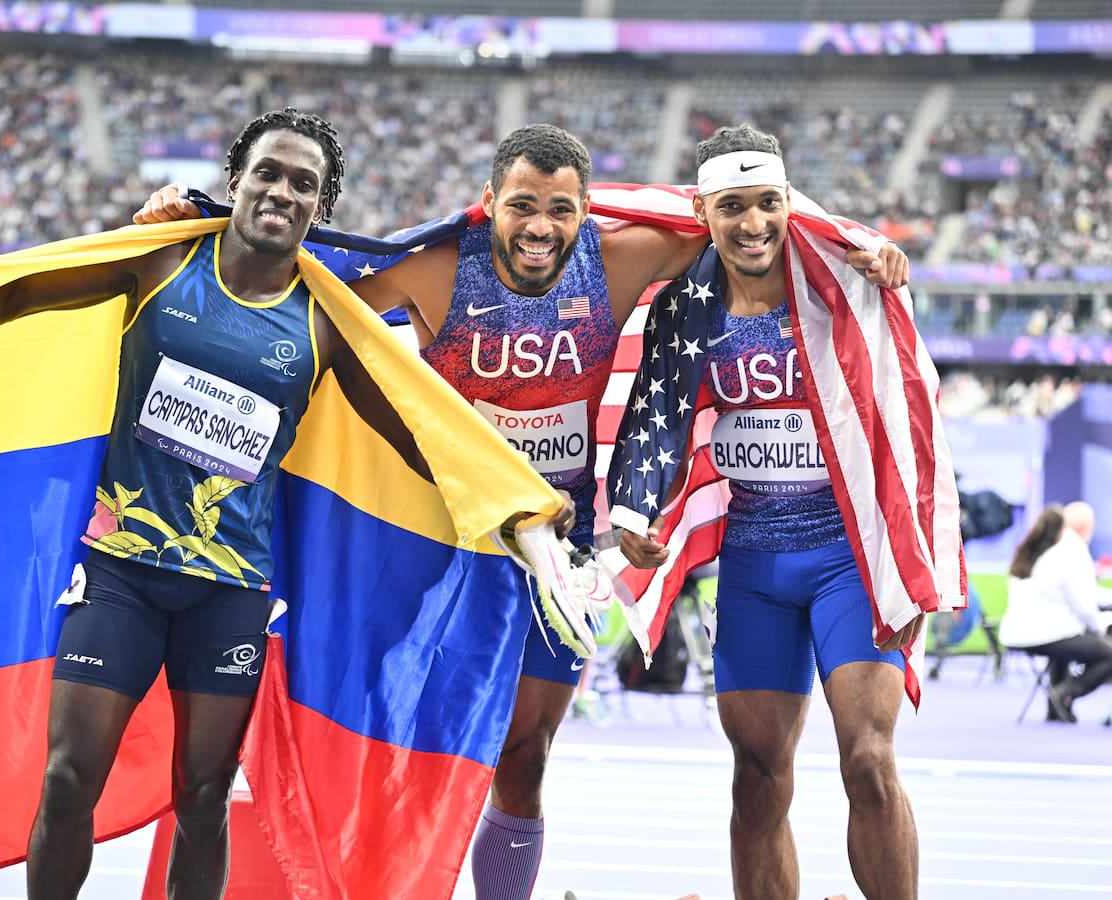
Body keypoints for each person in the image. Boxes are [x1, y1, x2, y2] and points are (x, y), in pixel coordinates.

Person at [134, 122, 909, 899]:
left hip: (552, 552)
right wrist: (197, 223)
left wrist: (856, 243)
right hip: (445, 545)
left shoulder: (621, 259)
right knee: (404, 743)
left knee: (524, 757)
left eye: (560, 209)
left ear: (585, 212)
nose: (541, 228)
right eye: (523, 206)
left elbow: (747, 221)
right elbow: (300, 289)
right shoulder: (437, 267)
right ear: (489, 202)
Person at [0, 108, 569, 900]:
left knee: (202, 797)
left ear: (320, 207)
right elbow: (20, 295)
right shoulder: (161, 263)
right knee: (67, 776)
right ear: (236, 181)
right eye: (268, 173)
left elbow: (419, 434)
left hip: (228, 594)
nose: (282, 192)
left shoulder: (325, 322)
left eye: (303, 184)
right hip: (118, 572)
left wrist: (515, 501)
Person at [613, 124, 963, 900]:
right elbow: (657, 418)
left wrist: (883, 260)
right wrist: (636, 509)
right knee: (757, 775)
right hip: (753, 567)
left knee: (869, 761)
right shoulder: (686, 307)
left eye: (768, 202)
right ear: (702, 212)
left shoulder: (842, 282)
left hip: (851, 562)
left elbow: (909, 413)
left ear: (789, 201)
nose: (754, 222)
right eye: (733, 206)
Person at [1000, 502, 1112, 723]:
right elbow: (1084, 606)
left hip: (1016, 633)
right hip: (1048, 634)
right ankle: (1066, 693)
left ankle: (1055, 708)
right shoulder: (1068, 553)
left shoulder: (1031, 552)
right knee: (1107, 652)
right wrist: (1098, 630)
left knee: (1069, 643)